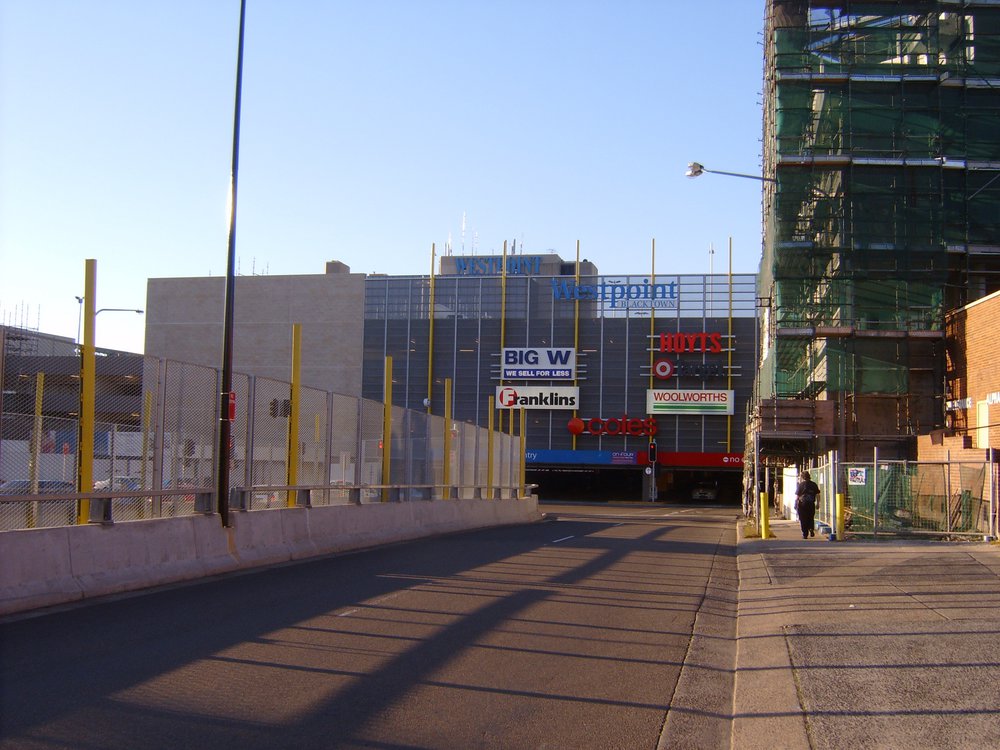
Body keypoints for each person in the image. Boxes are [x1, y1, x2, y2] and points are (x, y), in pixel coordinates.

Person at [794, 470, 820, 539]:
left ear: (802, 477)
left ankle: (805, 533)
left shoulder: (801, 485)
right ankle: (811, 528)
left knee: (803, 518)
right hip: (811, 503)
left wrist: (795, 504)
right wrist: (818, 503)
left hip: (802, 504)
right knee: (810, 517)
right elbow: (817, 494)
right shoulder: (814, 484)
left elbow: (797, 496)